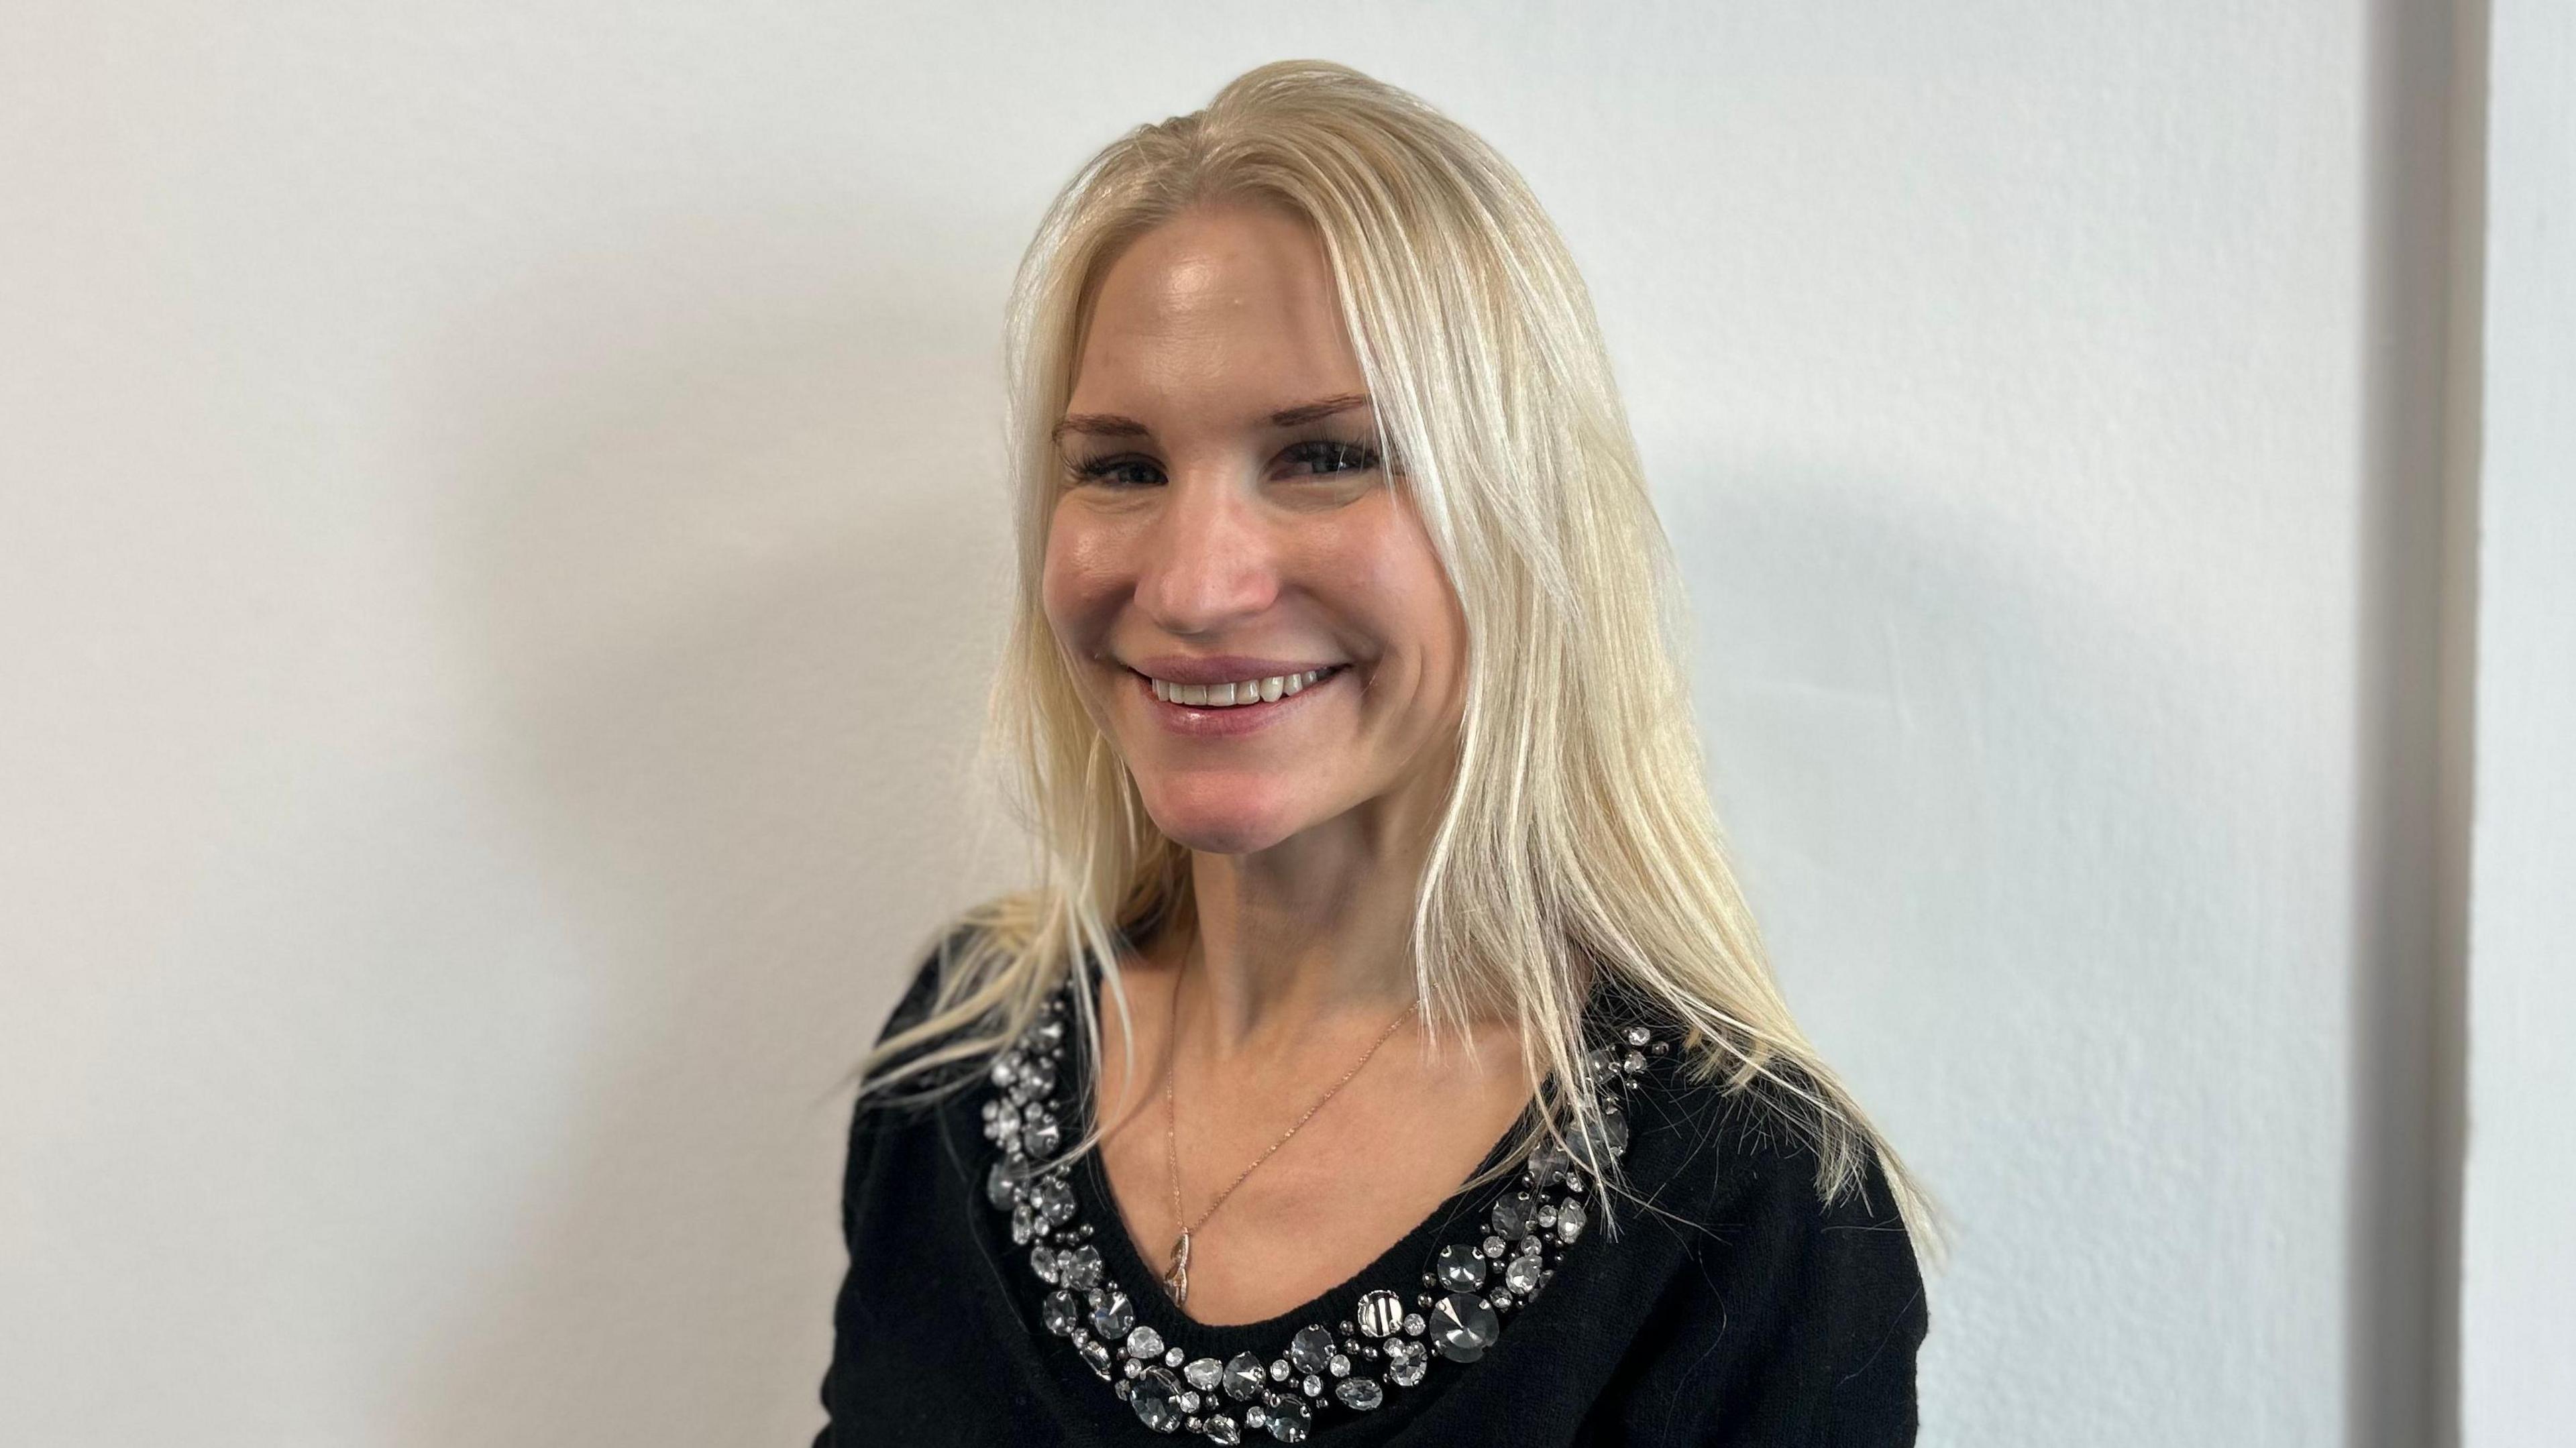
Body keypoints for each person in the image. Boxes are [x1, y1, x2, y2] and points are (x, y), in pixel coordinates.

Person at [813, 59, 1937, 1446]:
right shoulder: (966, 1046)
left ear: (1522, 519)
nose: (1194, 585)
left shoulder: (1743, 1205)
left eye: (1328, 456)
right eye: (1121, 467)